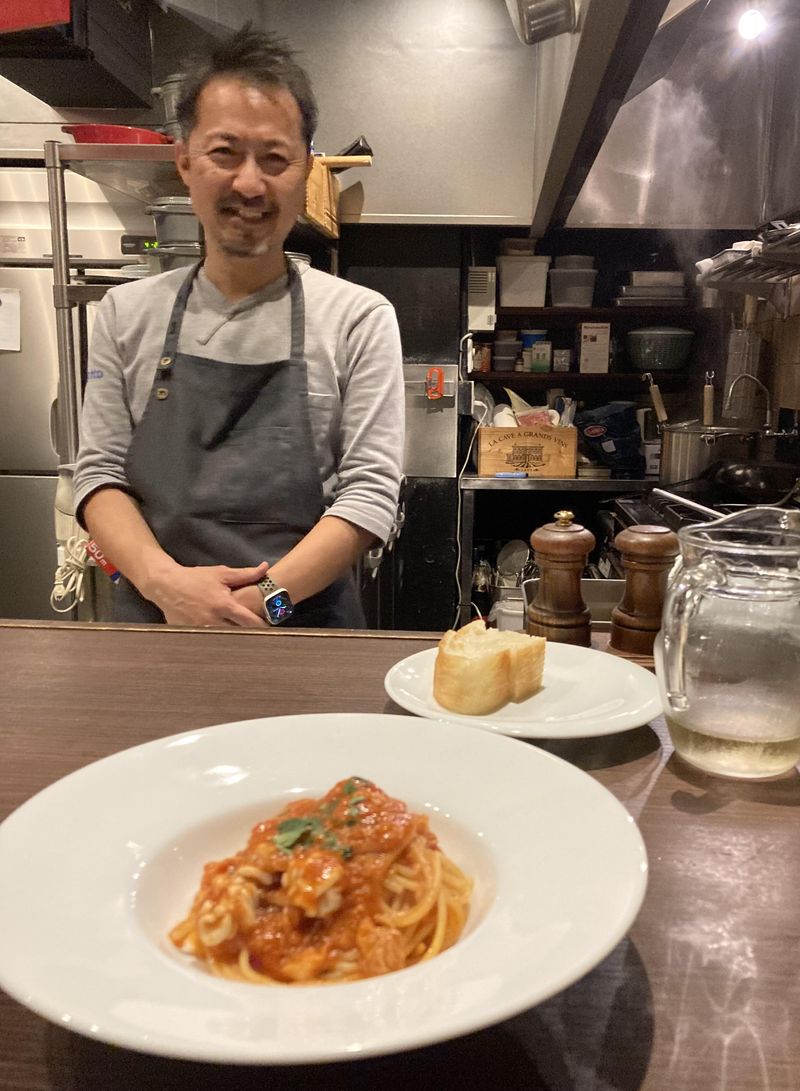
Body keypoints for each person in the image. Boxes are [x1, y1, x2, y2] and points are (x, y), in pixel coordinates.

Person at [73, 26, 404, 629]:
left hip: (305, 631)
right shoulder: (124, 314)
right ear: (185, 162)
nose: (249, 184)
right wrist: (167, 588)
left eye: (274, 159)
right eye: (225, 153)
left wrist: (256, 605)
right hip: (158, 627)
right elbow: (98, 476)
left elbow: (370, 494)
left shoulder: (358, 318)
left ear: (305, 171)